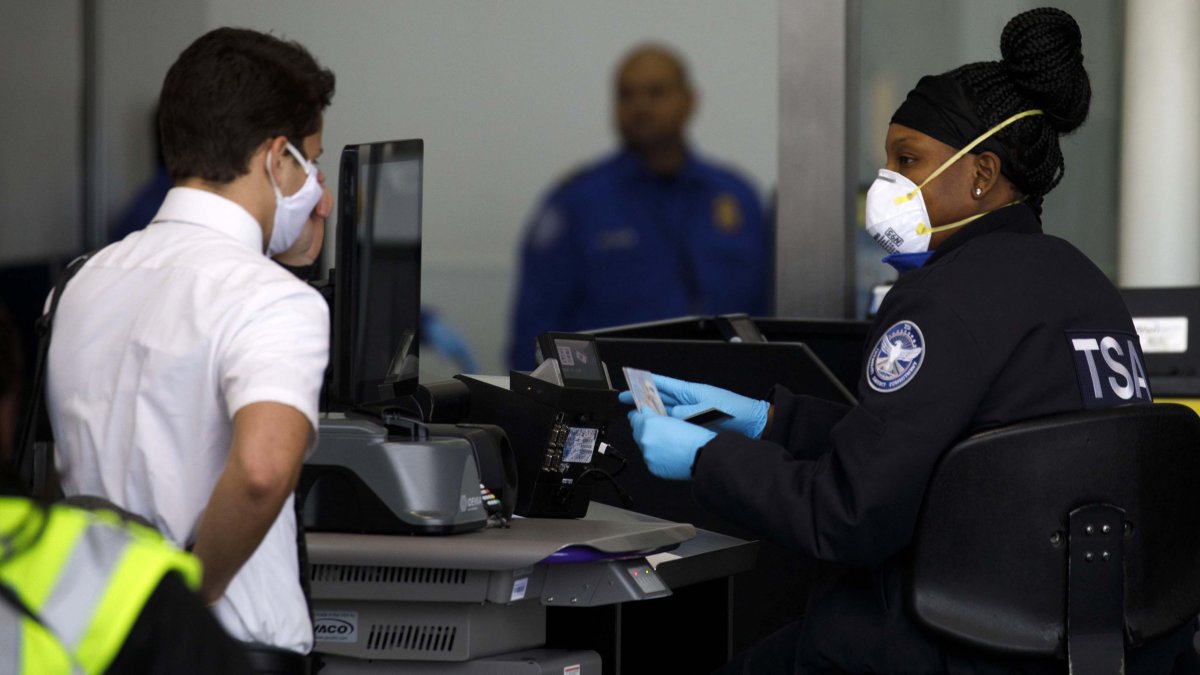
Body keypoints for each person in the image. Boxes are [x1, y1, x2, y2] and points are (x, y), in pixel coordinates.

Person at [623, 8, 1194, 674]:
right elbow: (950, 451)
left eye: (908, 159)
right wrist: (769, 420)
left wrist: (708, 457)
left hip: (941, 643)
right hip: (1078, 645)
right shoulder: (1083, 282)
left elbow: (847, 517)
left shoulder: (939, 301)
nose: (887, 182)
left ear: (981, 173)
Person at [45, 27, 335, 668]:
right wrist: (182, 599)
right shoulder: (273, 299)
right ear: (275, 158)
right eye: (312, 163)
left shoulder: (83, 280)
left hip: (89, 639)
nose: (322, 191)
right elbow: (263, 472)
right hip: (223, 652)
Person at [0, 302, 253, 674]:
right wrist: (205, 592)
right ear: (8, 407)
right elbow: (261, 471)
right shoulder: (116, 577)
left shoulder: (74, 289)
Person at [508, 44, 769, 369]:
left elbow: (766, 321)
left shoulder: (737, 198)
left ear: (690, 101)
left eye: (656, 92)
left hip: (727, 401)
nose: (640, 106)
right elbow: (534, 331)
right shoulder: (577, 203)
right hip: (613, 404)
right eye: (625, 95)